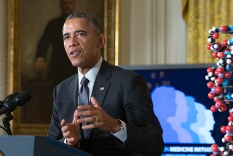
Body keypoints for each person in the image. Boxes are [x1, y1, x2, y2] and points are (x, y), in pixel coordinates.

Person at [47, 11, 164, 155]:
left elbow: (155, 143)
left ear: (101, 41)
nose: (72, 43)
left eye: (80, 34)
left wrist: (115, 126)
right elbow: (49, 147)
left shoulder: (128, 82)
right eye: (67, 37)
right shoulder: (61, 90)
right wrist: (69, 142)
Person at [34, 0, 76, 86]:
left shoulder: (80, 24)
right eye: (64, 3)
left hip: (76, 68)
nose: (67, 6)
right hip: (57, 69)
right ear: (61, 5)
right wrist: (40, 58)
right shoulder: (53, 24)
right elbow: (44, 42)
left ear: (73, 4)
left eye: (69, 3)